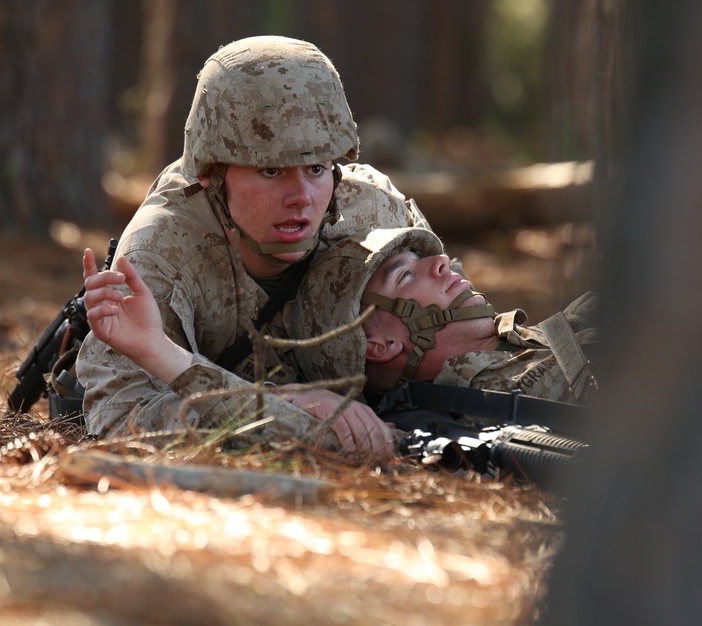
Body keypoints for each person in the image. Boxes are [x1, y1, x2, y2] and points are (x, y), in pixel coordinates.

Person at [76, 35, 432, 456]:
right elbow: (121, 416)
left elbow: (463, 328)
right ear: (211, 174)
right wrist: (280, 407)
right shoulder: (161, 252)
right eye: (270, 170)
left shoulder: (371, 212)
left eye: (317, 168)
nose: (301, 196)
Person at [289, 225, 600, 407]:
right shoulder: (482, 418)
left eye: (419, 259)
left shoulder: (538, 333)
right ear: (380, 345)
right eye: (405, 276)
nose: (440, 262)